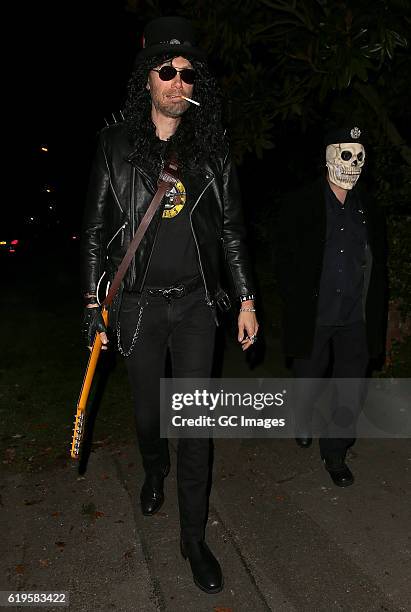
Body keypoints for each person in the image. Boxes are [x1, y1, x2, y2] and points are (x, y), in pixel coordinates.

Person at [80, 16, 258, 594]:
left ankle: (193, 536)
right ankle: (153, 466)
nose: (177, 81)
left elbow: (232, 229)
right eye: (166, 71)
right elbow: (94, 229)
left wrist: (246, 300)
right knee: (150, 415)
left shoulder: (212, 147)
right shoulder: (116, 145)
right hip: (136, 306)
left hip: (197, 307)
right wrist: (92, 303)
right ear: (147, 80)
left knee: (195, 425)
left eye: (187, 73)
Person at [275, 126, 387, 487]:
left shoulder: (368, 207)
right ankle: (303, 415)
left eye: (359, 156)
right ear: (327, 156)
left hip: (356, 315)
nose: (353, 163)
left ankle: (336, 452)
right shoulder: (301, 203)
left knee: (350, 386)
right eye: (345, 154)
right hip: (316, 313)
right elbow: (285, 258)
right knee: (308, 377)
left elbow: (377, 261)